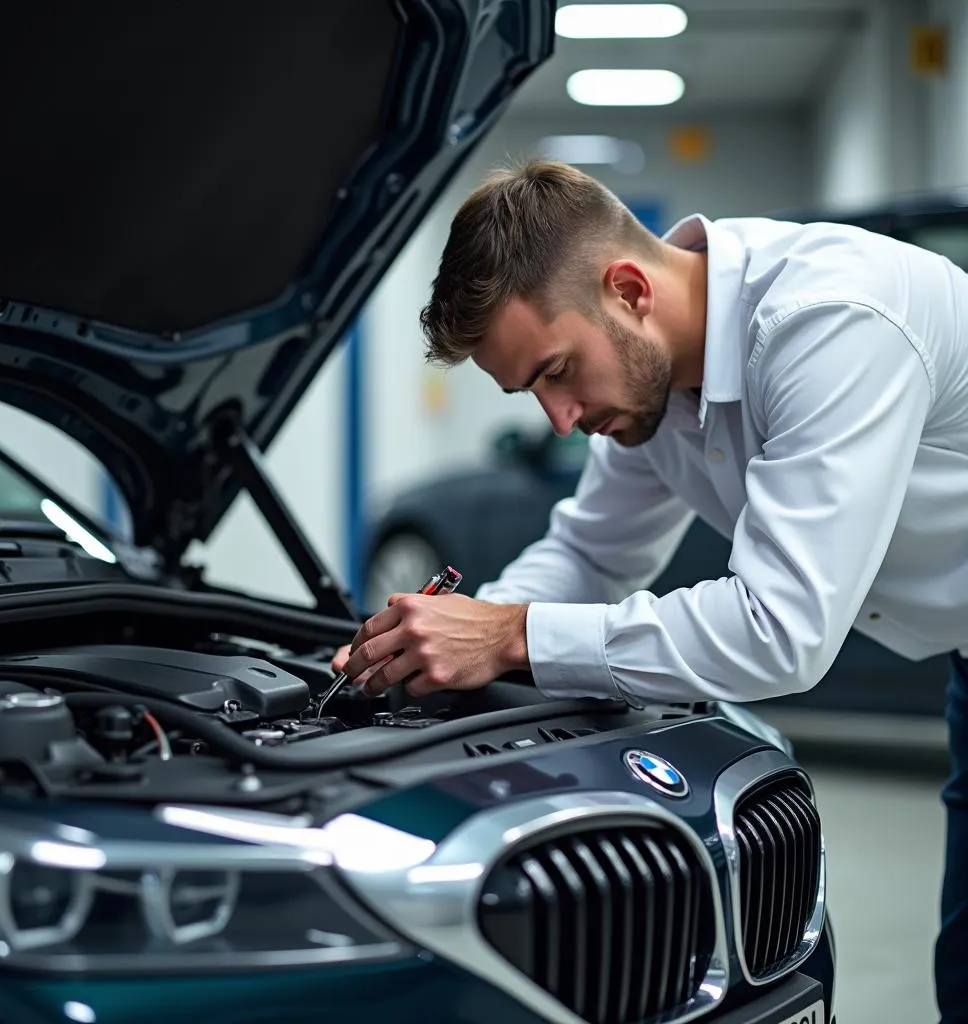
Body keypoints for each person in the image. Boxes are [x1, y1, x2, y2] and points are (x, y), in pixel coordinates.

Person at [330, 158, 968, 1022]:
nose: (558, 419)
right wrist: (452, 639)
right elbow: (589, 554)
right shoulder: (658, 380)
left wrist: (512, 637)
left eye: (557, 371)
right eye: (531, 392)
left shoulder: (828, 322)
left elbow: (780, 632)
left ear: (629, 288)